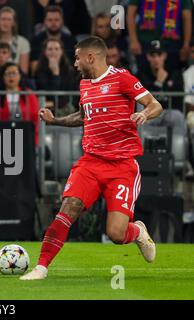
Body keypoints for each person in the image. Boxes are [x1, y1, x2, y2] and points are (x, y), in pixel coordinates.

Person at [20, 36, 163, 281]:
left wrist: (144, 115)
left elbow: (155, 104)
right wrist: (55, 121)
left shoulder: (122, 78)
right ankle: (41, 267)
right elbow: (83, 116)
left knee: (116, 234)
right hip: (91, 162)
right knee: (67, 209)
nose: (74, 63)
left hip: (122, 166)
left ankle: (137, 232)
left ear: (90, 57)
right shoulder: (85, 84)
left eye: (77, 57)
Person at [0, 62, 40, 145]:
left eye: (14, 73)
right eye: (7, 73)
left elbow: (36, 117)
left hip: (26, 136)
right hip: (2, 137)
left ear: (20, 76)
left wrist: (35, 139)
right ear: (3, 77)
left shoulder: (29, 94)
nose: (11, 77)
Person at [0, 6, 30, 75]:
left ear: (14, 23)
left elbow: (24, 72)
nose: (5, 22)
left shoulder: (23, 42)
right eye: (3, 19)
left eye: (9, 19)